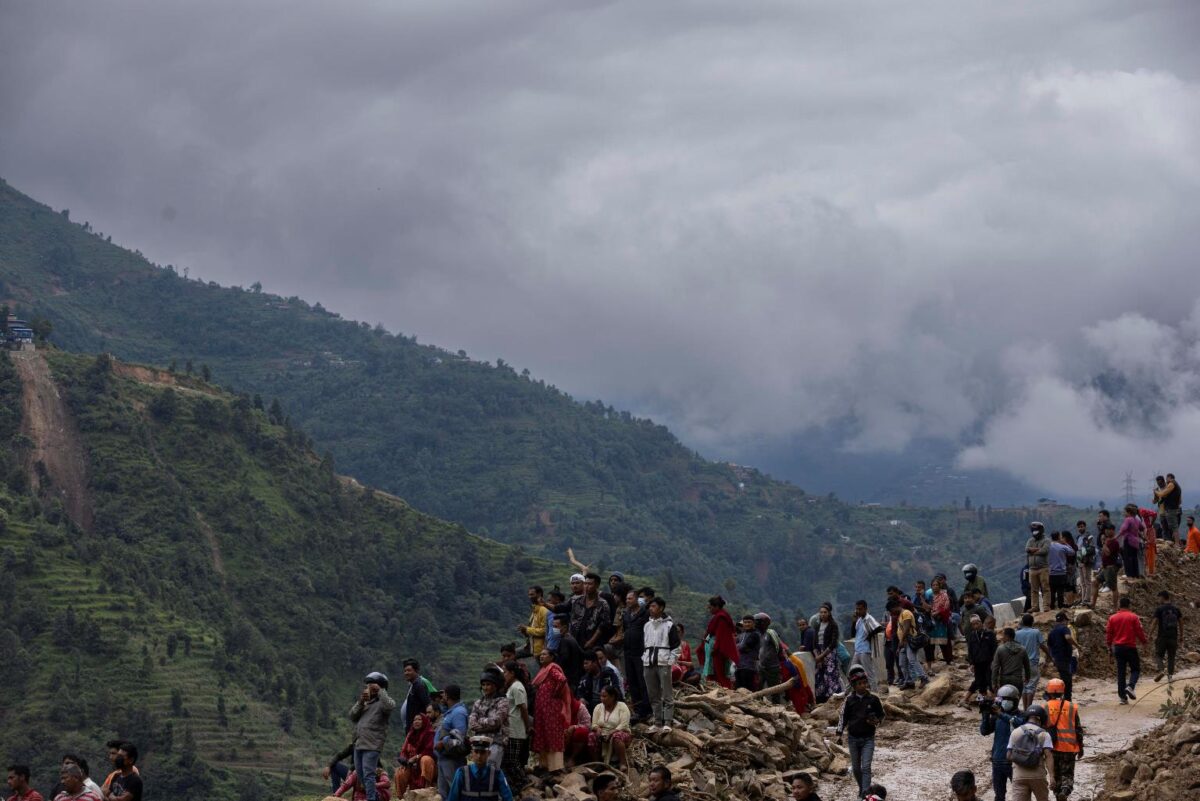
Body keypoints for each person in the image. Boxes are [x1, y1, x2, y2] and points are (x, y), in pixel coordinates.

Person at [836, 665, 885, 798]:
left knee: (866, 767)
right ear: (853, 685)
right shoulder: (849, 700)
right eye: (859, 684)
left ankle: (865, 795)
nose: (863, 686)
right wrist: (839, 734)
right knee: (856, 768)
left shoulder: (873, 699)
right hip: (853, 739)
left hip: (868, 738)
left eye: (864, 683)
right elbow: (843, 717)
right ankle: (862, 788)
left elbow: (882, 715)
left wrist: (877, 721)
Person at [349, 671, 395, 801]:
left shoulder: (383, 703)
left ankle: (371, 799)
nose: (368, 688)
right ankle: (375, 797)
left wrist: (381, 691)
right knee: (361, 774)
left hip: (372, 745)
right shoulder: (365, 703)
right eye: (367, 685)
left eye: (371, 685)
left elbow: (391, 706)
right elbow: (352, 716)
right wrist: (360, 702)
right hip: (359, 743)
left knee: (369, 774)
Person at [642, 596, 680, 732]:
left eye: (654, 606)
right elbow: (644, 644)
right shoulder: (647, 626)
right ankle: (657, 721)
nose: (651, 609)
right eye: (650, 607)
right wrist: (644, 657)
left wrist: (670, 661)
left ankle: (668, 722)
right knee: (653, 694)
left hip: (663, 662)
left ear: (661, 608)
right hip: (648, 662)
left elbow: (676, 646)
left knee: (667, 693)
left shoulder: (669, 625)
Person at [530, 649, 571, 773]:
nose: (541, 656)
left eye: (544, 654)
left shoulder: (552, 669)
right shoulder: (544, 670)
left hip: (552, 709)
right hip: (542, 710)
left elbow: (562, 680)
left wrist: (555, 693)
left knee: (553, 735)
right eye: (541, 654)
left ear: (552, 657)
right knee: (542, 734)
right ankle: (544, 765)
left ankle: (556, 767)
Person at [981, 684, 1024, 801]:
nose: (1004, 702)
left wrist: (1000, 714)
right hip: (997, 761)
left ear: (1015, 701)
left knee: (1020, 795)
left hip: (1014, 763)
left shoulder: (1021, 716)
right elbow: (984, 731)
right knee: (999, 796)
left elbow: (1019, 724)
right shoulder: (997, 716)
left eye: (1007, 700)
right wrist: (985, 714)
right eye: (1002, 699)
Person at [1043, 678, 1083, 801]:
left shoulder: (1045, 707)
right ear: (1062, 691)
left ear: (1048, 692)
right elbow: (1078, 729)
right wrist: (1081, 747)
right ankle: (1065, 791)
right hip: (1069, 747)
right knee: (1068, 774)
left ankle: (1058, 795)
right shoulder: (1071, 707)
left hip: (1052, 748)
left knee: (1056, 775)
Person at [615, 590, 651, 721]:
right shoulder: (626, 615)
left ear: (636, 600)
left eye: (630, 599)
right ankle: (637, 710)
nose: (627, 601)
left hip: (640, 652)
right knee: (632, 681)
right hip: (628, 652)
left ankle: (647, 709)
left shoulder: (645, 614)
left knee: (642, 681)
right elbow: (624, 630)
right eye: (626, 599)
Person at [1105, 596, 1148, 704]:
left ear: (1120, 605)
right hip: (1130, 647)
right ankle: (1131, 686)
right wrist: (1144, 643)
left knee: (1121, 672)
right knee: (1135, 669)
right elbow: (1139, 631)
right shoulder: (1133, 617)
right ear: (1129, 605)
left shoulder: (1112, 618)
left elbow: (1109, 633)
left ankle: (1123, 698)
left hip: (1118, 648)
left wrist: (1109, 647)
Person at [1008, 704, 1055, 801]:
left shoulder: (1015, 732)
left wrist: (1022, 759)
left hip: (1019, 776)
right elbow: (1048, 756)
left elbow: (1008, 755)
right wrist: (1052, 777)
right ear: (1041, 718)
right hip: (1038, 776)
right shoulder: (1044, 734)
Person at [445, 736, 514, 801]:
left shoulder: (497, 774)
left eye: (482, 752)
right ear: (472, 753)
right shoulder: (461, 773)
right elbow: (452, 798)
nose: (479, 756)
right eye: (476, 752)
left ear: (488, 753)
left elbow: (508, 798)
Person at [434, 684, 469, 800]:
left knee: (456, 791)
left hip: (452, 760)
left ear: (448, 695)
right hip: (443, 758)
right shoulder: (450, 711)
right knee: (444, 794)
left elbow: (460, 737)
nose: (441, 696)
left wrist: (443, 742)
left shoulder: (459, 713)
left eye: (443, 693)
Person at [469, 670, 510, 768]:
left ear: (495, 686)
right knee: (478, 770)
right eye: (483, 685)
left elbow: (496, 722)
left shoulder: (502, 702)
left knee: (492, 770)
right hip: (479, 743)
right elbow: (471, 722)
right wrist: (486, 723)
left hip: (496, 741)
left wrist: (480, 720)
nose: (485, 687)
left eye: (488, 684)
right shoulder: (478, 702)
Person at [500, 661, 529, 786]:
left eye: (505, 672)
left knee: (513, 761)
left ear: (512, 673)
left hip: (515, 729)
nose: (504, 675)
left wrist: (528, 727)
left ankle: (524, 782)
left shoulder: (517, 687)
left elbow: (523, 708)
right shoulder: (511, 687)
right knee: (509, 760)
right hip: (510, 728)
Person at [570, 573, 614, 652]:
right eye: (585, 584)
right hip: (576, 640)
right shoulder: (578, 601)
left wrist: (591, 641)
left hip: (593, 643)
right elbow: (573, 620)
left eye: (590, 584)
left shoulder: (603, 604)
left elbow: (603, 625)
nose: (586, 586)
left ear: (597, 585)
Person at [590, 685, 632, 770]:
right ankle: (597, 763)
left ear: (612, 697)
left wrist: (612, 732)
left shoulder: (622, 706)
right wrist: (597, 729)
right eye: (601, 696)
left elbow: (624, 724)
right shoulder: (598, 707)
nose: (602, 698)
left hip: (620, 732)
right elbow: (594, 724)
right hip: (603, 732)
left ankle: (622, 763)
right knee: (591, 736)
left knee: (616, 737)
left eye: (605, 696)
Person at [701, 596, 738, 689]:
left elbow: (721, 635)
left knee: (719, 672)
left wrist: (715, 648)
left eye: (710, 607)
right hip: (715, 648)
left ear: (717, 606)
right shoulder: (719, 616)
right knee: (715, 671)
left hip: (718, 650)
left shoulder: (721, 617)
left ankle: (724, 690)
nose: (709, 610)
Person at [1015, 615, 1050, 709]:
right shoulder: (1036, 632)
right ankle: (1028, 708)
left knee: (1024, 686)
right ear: (1032, 622)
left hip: (1020, 663)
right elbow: (1043, 646)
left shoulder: (1017, 633)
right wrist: (1049, 656)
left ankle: (1025, 709)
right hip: (1032, 663)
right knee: (1031, 686)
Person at [891, 599, 927, 689]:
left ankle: (923, 678)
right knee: (902, 663)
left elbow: (907, 628)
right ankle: (909, 681)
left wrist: (901, 641)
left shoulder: (906, 613)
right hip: (904, 642)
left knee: (912, 660)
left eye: (892, 610)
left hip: (909, 641)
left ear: (895, 607)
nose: (892, 613)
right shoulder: (900, 615)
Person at [962, 614, 998, 706]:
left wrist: (994, 662)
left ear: (981, 623)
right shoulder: (972, 636)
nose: (976, 626)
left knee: (990, 681)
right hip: (977, 663)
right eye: (973, 624)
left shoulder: (989, 634)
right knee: (979, 682)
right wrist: (971, 663)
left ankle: (995, 701)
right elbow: (970, 650)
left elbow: (994, 648)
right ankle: (983, 702)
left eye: (977, 623)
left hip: (988, 662)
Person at [1150, 589, 1184, 683]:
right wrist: (1181, 636)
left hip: (1162, 636)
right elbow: (1181, 623)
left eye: (1159, 598)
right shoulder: (1176, 609)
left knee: (1158, 655)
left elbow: (1154, 623)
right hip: (1173, 637)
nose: (1158, 600)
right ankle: (1170, 678)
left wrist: (1150, 634)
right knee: (1171, 657)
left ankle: (1161, 670)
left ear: (1162, 597)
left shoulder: (1160, 609)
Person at [812, 603, 843, 702]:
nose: (823, 614)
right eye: (821, 612)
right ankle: (821, 700)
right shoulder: (817, 626)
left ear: (829, 613)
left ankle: (834, 698)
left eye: (825, 612)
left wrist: (821, 656)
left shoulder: (833, 625)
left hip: (829, 653)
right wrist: (817, 657)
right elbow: (814, 643)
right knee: (819, 676)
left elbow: (833, 643)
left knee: (831, 676)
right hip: (819, 653)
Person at [1045, 613, 1077, 700]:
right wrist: (1076, 645)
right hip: (1064, 658)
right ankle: (1067, 699)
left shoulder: (1052, 632)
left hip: (1057, 659)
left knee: (1063, 677)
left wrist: (1051, 658)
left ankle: (1056, 696)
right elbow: (1068, 637)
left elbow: (1049, 646)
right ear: (1064, 620)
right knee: (1067, 680)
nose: (1067, 622)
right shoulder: (1064, 628)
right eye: (1066, 620)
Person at [992, 628, 1031, 699]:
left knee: (1004, 700)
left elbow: (995, 667)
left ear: (1007, 636)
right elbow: (1027, 665)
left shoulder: (1000, 649)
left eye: (1003, 635)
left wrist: (994, 682)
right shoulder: (1022, 649)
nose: (1002, 637)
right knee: (1016, 699)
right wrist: (1027, 677)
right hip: (1017, 679)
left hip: (1004, 679)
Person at [551, 615, 585, 689]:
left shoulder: (565, 641)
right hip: (574, 678)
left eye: (556, 627)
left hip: (568, 679)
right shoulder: (571, 639)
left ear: (565, 627)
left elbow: (563, 660)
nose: (554, 629)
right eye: (553, 626)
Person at [755, 613, 784, 698]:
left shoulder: (770, 632)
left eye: (757, 622)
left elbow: (778, 647)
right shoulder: (757, 635)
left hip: (772, 667)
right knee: (758, 690)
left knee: (775, 691)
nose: (756, 624)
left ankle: (777, 709)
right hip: (761, 667)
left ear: (764, 623)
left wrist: (776, 660)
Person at [402, 660, 434, 736]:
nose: (406, 673)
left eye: (409, 670)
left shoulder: (419, 686)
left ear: (416, 671)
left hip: (417, 730)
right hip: (412, 728)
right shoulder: (413, 685)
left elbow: (427, 704)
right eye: (405, 671)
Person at [1026, 523, 1051, 613]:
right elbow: (1027, 549)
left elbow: (1044, 550)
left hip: (1043, 568)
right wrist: (1037, 550)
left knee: (1045, 588)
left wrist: (1032, 551)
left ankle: (1046, 606)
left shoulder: (1046, 540)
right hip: (1032, 568)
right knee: (1033, 589)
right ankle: (1035, 607)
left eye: (1036, 530)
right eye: (1033, 530)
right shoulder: (1030, 540)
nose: (1034, 532)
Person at [519, 586, 550, 659]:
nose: (530, 597)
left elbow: (544, 630)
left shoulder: (543, 610)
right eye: (529, 595)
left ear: (539, 594)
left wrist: (527, 629)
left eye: (532, 594)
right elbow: (533, 630)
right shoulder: (535, 611)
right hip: (534, 648)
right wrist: (525, 632)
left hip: (542, 650)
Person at [1047, 532, 1075, 610]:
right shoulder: (1062, 547)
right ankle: (1060, 605)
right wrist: (1066, 543)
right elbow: (1072, 552)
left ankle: (1052, 606)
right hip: (1061, 572)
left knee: (1052, 590)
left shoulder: (1048, 546)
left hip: (1051, 572)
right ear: (1059, 537)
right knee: (1060, 590)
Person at [1153, 473, 1183, 545]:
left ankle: (1175, 544)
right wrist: (1155, 494)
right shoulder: (1158, 490)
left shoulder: (1169, 487)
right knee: (1164, 530)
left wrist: (1157, 492)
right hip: (1162, 512)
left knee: (1172, 528)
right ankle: (1167, 544)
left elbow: (1179, 500)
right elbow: (1154, 501)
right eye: (1158, 483)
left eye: (1161, 483)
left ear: (1164, 481)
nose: (1159, 484)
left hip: (1170, 511)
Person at [1097, 522, 1121, 608]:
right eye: (1106, 530)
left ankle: (1115, 607)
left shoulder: (1114, 542)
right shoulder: (1108, 541)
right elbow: (1103, 554)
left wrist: (1103, 542)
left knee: (1113, 588)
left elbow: (1107, 553)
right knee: (1095, 582)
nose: (1106, 532)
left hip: (1111, 567)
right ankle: (1093, 604)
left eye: (1108, 530)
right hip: (1105, 567)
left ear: (1113, 531)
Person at [735, 614, 761, 690]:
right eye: (745, 622)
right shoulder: (741, 635)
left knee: (748, 689)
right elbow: (737, 646)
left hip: (749, 667)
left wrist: (738, 646)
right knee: (739, 689)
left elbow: (743, 647)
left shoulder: (755, 635)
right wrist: (740, 647)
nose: (747, 624)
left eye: (749, 622)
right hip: (739, 666)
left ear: (753, 623)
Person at [1117, 504, 1144, 580]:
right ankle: (1135, 575)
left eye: (1124, 512)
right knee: (1134, 558)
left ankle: (1129, 575)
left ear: (1129, 512)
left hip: (1128, 540)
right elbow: (1142, 528)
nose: (1124, 513)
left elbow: (1123, 530)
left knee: (1127, 558)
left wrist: (1115, 538)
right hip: (1136, 542)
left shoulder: (1128, 519)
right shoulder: (1137, 520)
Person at [1074, 523, 1095, 607]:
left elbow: (1092, 548)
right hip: (1079, 561)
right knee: (1082, 582)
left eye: (1082, 527)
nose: (1080, 528)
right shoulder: (1078, 537)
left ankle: (1087, 599)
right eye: (1079, 527)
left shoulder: (1089, 536)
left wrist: (1085, 551)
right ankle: (1083, 599)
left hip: (1086, 561)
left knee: (1087, 581)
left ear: (1085, 527)